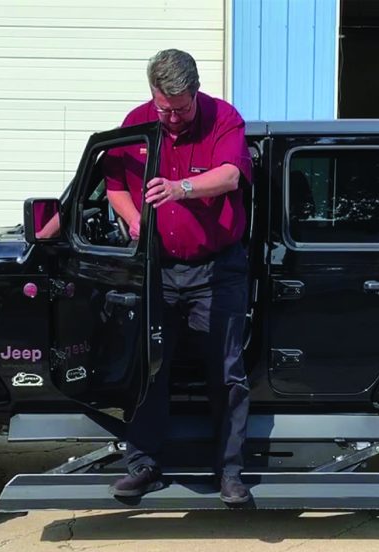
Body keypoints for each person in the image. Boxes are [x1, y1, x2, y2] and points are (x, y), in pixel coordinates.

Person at [105, 49, 252, 504]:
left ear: (196, 90)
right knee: (149, 368)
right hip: (156, 269)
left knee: (225, 372)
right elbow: (113, 185)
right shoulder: (136, 122)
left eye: (181, 108)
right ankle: (143, 464)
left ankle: (229, 473)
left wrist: (179, 189)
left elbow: (230, 175)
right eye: (164, 109)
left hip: (217, 269)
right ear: (153, 94)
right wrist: (134, 220)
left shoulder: (223, 118)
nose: (171, 118)